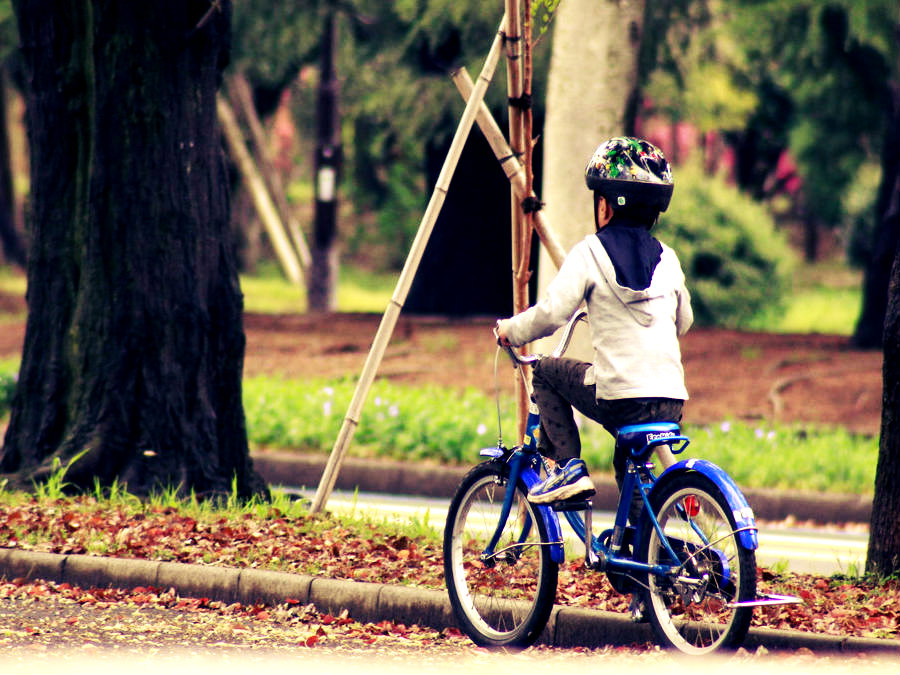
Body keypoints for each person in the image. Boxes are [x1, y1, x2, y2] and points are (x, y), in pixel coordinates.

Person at [496, 136, 693, 509]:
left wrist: (511, 331)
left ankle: (570, 467)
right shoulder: (668, 258)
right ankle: (639, 559)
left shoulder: (589, 252)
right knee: (631, 467)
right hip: (670, 400)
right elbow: (683, 321)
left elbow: (552, 313)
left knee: (547, 372)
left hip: (621, 397)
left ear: (604, 205)